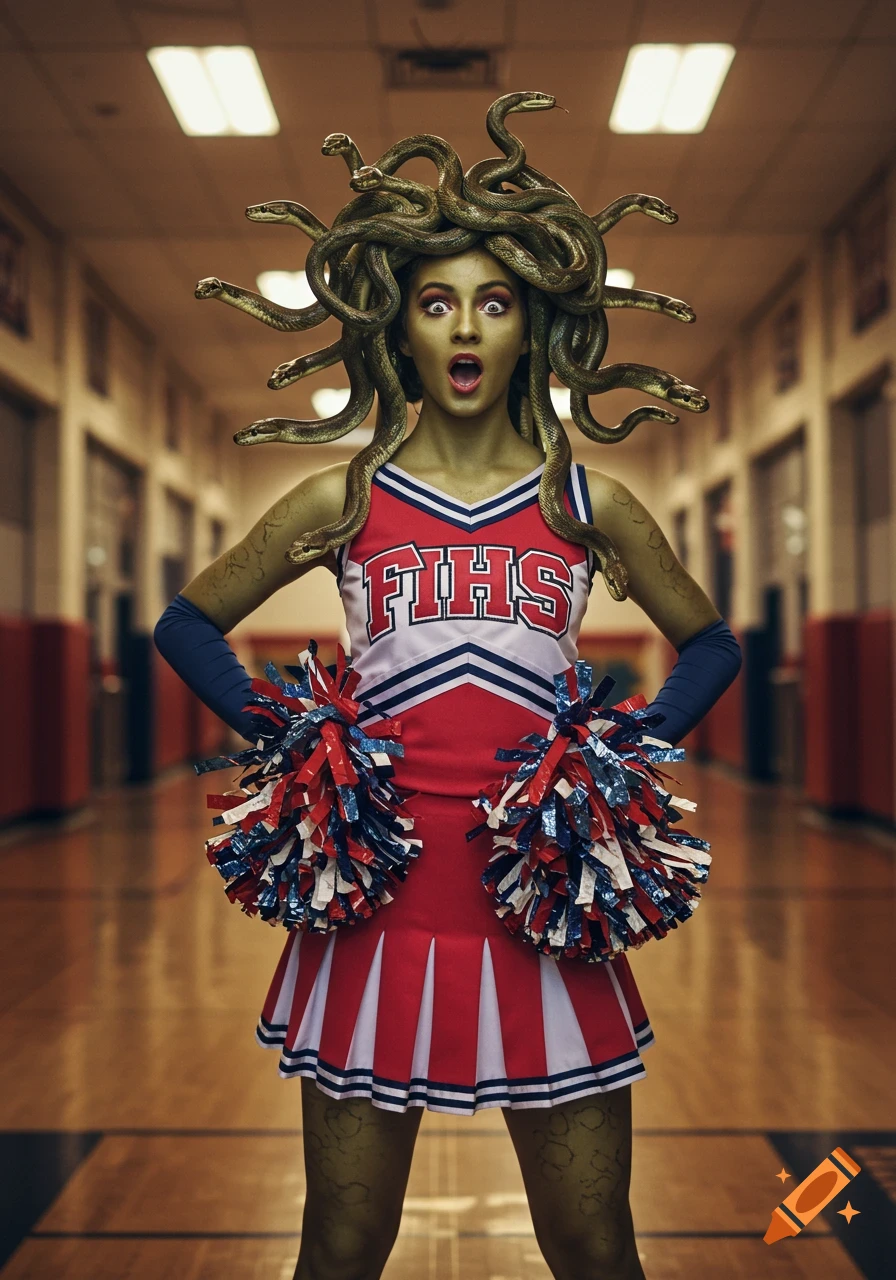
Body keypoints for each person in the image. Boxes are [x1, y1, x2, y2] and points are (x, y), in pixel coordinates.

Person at [154, 93, 741, 1280]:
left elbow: (713, 644)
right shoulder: (347, 499)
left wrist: (614, 757)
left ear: (531, 324)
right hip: (378, 905)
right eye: (436, 301)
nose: (464, 326)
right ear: (397, 329)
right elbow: (186, 621)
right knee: (339, 1245)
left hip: (544, 908)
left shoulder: (585, 502)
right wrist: (300, 740)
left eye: (493, 299)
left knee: (591, 1243)